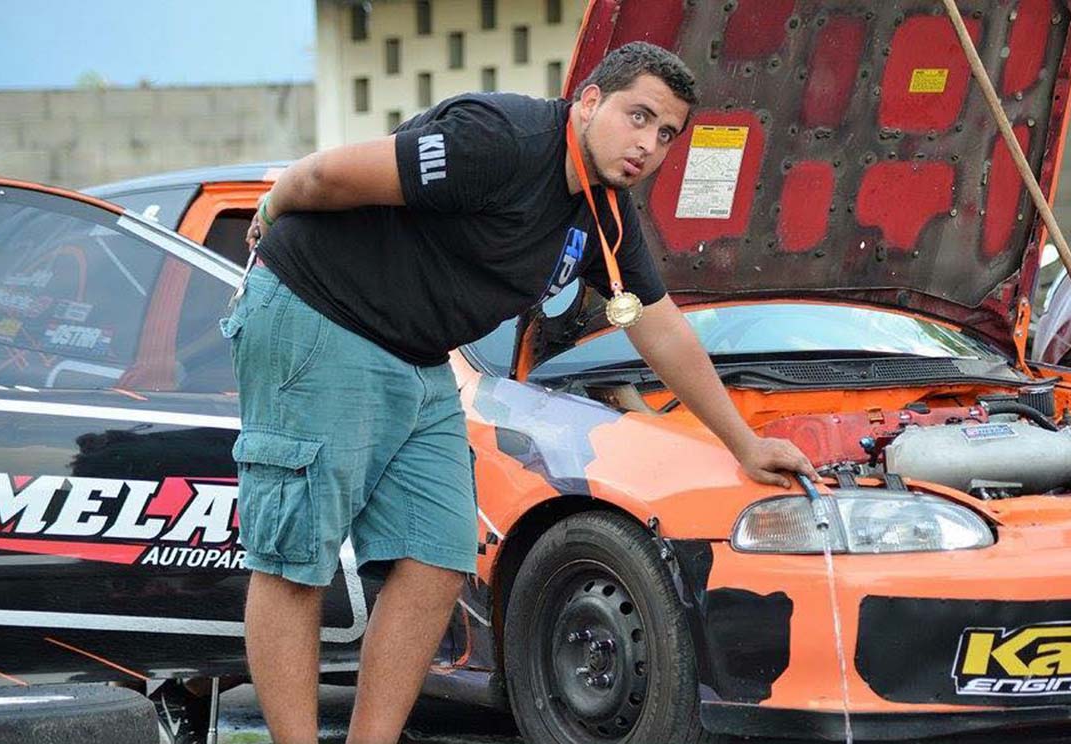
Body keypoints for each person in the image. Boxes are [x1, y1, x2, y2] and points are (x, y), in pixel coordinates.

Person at [224, 41, 818, 744]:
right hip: (320, 315)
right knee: (296, 560)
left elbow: (664, 332)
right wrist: (271, 207)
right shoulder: (500, 140)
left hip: (418, 357)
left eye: (665, 134)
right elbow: (325, 176)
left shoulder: (604, 215)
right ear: (590, 101)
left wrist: (746, 443)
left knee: (438, 559)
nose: (648, 145)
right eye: (639, 117)